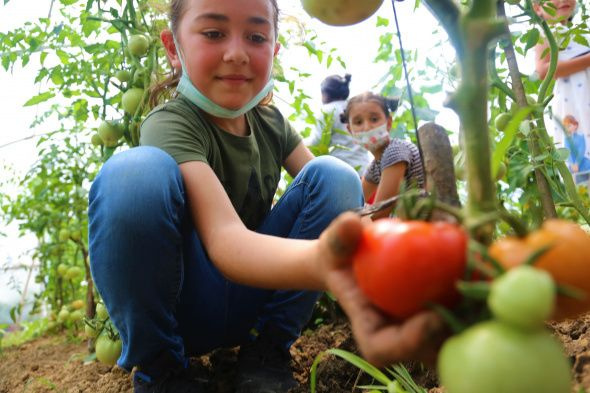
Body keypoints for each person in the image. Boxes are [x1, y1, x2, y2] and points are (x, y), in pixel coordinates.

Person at [88, 1, 444, 392]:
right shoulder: (171, 123)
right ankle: (162, 367)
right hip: (183, 310)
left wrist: (410, 246)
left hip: (253, 299)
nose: (237, 53)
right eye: (213, 33)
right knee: (131, 177)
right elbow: (226, 243)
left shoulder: (271, 123)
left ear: (273, 51)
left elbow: (342, 203)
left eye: (256, 36)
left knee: (334, 176)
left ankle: (267, 351)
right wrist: (338, 263)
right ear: (174, 47)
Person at [342, 92, 425, 220]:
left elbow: (379, 214)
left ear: (389, 122)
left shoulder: (395, 152)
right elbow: (354, 201)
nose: (367, 127)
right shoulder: (375, 167)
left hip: (422, 222)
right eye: (358, 122)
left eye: (374, 119)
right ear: (350, 130)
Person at [534, 0, 590, 166]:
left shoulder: (582, 34)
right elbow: (544, 70)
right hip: (575, 102)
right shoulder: (546, 34)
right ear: (537, 9)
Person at [309, 74, 372, 176]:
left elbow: (316, 142)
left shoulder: (328, 110)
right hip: (364, 171)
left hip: (342, 174)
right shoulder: (355, 108)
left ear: (325, 93)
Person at [563, 115, 590, 183]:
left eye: (569, 126)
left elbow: (581, 151)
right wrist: (572, 164)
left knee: (584, 181)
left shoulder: (581, 137)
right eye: (565, 127)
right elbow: (567, 152)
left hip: (582, 162)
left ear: (575, 125)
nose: (567, 128)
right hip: (572, 165)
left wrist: (577, 163)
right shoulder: (566, 139)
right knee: (575, 182)